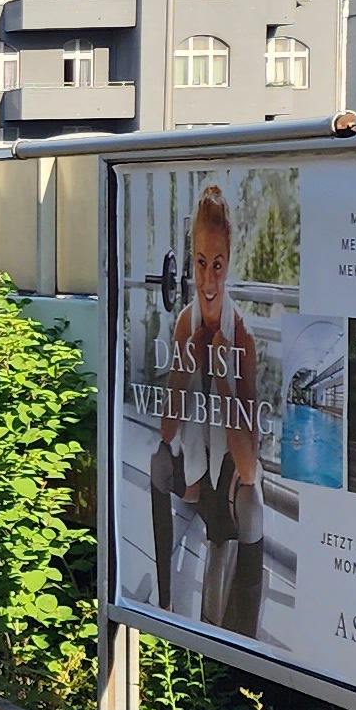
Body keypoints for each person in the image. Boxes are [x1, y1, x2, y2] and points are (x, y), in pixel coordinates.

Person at [146, 184, 267, 638]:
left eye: (217, 265)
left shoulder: (243, 336)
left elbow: (249, 467)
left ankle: (236, 638)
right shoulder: (185, 323)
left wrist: (220, 376)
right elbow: (167, 429)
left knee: (252, 504)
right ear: (190, 261)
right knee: (157, 463)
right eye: (200, 263)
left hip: (230, 474)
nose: (209, 280)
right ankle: (163, 599)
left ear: (229, 263)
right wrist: (185, 367)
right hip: (196, 469)